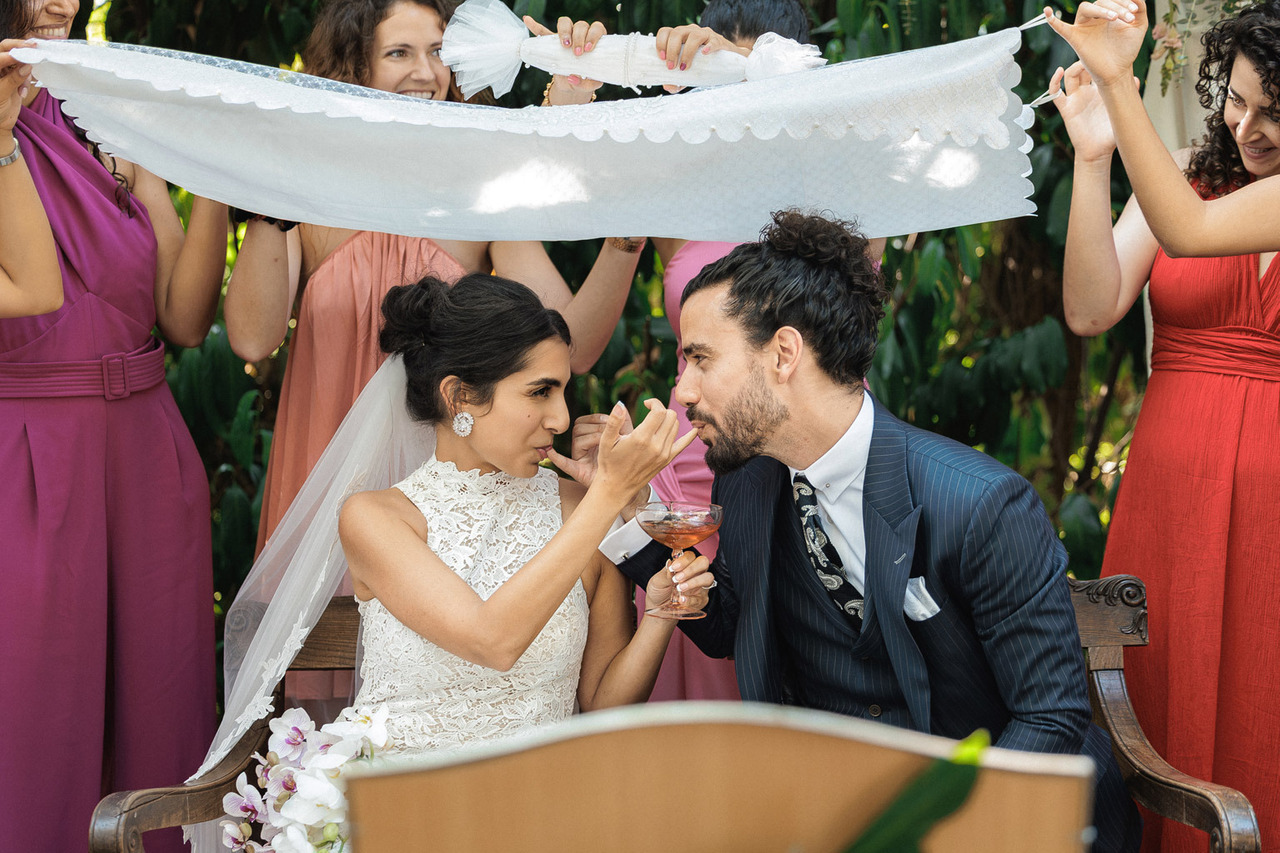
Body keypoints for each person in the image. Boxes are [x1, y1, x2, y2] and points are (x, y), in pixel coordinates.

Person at [597, 210, 1141, 852]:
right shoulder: (745, 483)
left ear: (784, 354)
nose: (682, 390)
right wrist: (630, 509)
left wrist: (935, 835)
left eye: (700, 359)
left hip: (1007, 823)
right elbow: (728, 628)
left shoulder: (981, 504)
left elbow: (1049, 718)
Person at [190, 274, 712, 850]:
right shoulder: (377, 518)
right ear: (460, 396)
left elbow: (603, 704)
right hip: (404, 817)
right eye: (539, 392)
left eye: (563, 391)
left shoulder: (581, 509)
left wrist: (660, 613)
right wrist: (607, 497)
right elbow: (492, 640)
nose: (562, 419)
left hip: (542, 814)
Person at [226, 0, 644, 555]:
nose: (426, 73)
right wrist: (272, 186)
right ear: (353, 68)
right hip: (320, 478)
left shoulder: (478, 191)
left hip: (438, 498)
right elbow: (252, 339)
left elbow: (575, 346)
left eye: (439, 52)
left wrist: (628, 233)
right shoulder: (303, 189)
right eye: (399, 53)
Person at [562, 0, 888, 702]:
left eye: (750, 76)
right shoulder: (676, 183)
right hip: (695, 454)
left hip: (811, 451)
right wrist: (576, 77)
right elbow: (572, 170)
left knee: (804, 645)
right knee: (696, 623)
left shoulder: (838, 180)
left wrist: (747, 71)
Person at [1046, 3, 1280, 850]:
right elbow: (1090, 307)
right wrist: (1094, 159)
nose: (1246, 128)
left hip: (1270, 516)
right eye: (1237, 101)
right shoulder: (1182, 172)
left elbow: (1190, 230)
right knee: (1158, 696)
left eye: (1273, 112)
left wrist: (1118, 76)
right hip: (1169, 498)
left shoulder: (1199, 203)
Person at [0, 0, 230, 850]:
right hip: (28, 454)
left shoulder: (100, 108)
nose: (60, 2)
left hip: (147, 451)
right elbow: (33, 294)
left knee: (159, 707)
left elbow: (182, 318)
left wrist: (215, 172)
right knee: (33, 715)